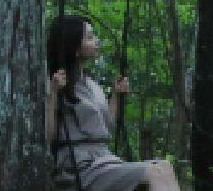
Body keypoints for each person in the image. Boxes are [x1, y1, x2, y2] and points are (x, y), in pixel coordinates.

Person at [45, 15, 182, 191]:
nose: (97, 41)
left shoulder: (92, 85)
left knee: (164, 166)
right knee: (154, 172)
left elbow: (107, 127)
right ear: (75, 48)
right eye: (90, 37)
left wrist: (116, 96)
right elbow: (48, 136)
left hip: (104, 159)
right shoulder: (56, 83)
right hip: (78, 167)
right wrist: (54, 93)